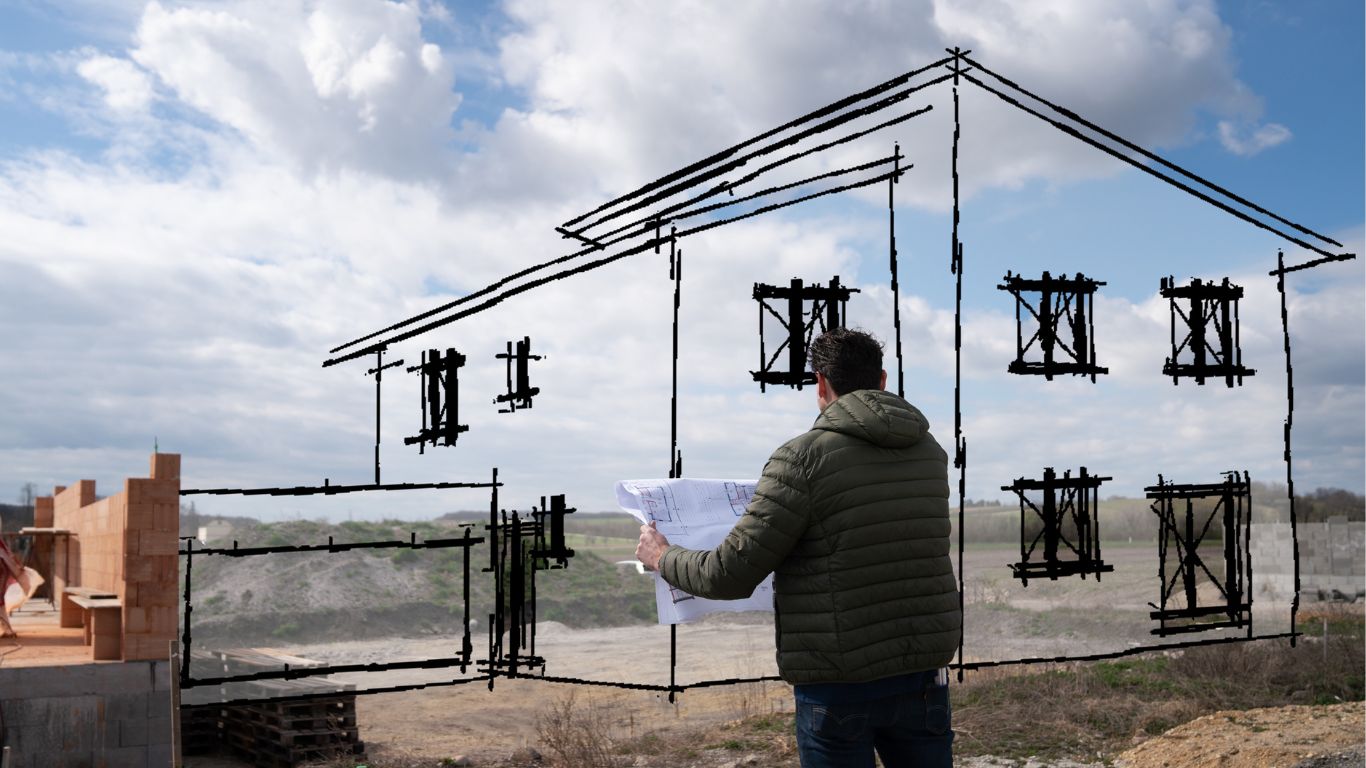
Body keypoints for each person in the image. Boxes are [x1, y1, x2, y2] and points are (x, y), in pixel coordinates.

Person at [635, 327, 961, 768]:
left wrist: (662, 556)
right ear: (882, 380)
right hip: (924, 677)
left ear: (821, 384)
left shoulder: (802, 459)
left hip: (838, 687)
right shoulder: (930, 452)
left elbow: (728, 574)